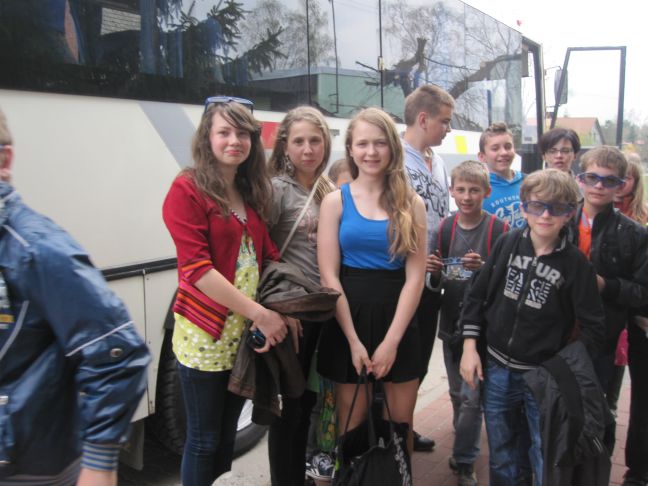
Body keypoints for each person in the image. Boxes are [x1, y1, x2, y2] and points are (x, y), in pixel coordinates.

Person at [0, 108, 150, 485]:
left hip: (29, 467)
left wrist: (99, 463)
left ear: (5, 160)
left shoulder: (38, 249)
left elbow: (118, 352)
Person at [162, 98, 290, 486]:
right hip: (206, 336)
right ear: (208, 137)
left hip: (242, 339)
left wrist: (286, 303)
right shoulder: (187, 189)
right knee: (202, 441)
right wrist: (261, 314)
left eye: (243, 133)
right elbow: (198, 271)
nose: (234, 141)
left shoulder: (249, 190)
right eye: (224, 132)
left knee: (224, 438)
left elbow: (266, 254)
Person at [460, 169, 606, 485]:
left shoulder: (576, 265)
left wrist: (560, 368)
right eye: (537, 206)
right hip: (497, 368)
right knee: (502, 451)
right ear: (524, 208)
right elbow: (477, 296)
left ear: (569, 213)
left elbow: (595, 327)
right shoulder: (507, 243)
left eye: (557, 207)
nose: (545, 215)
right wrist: (470, 347)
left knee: (543, 453)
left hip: (542, 376)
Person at [317, 107, 427, 455]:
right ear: (350, 149)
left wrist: (392, 342)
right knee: (351, 426)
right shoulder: (335, 202)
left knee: (400, 427)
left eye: (380, 143)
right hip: (348, 318)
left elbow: (415, 278)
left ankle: (397, 479)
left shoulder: (412, 204)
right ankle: (353, 478)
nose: (371, 152)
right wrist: (353, 340)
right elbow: (329, 276)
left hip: (400, 320)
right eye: (362, 144)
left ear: (392, 147)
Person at [567, 146, 648, 482]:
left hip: (605, 337)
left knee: (598, 408)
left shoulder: (634, 234)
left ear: (621, 185)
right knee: (560, 404)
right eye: (592, 178)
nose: (599, 186)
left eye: (608, 180)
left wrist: (606, 285)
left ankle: (593, 473)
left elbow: (642, 291)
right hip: (559, 333)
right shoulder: (558, 221)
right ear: (580, 179)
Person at [266, 106, 336, 486]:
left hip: (322, 312)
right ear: (285, 147)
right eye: (298, 141)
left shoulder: (327, 189)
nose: (307, 149)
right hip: (293, 315)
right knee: (288, 410)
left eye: (314, 140)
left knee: (309, 403)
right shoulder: (277, 190)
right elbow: (260, 253)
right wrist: (275, 307)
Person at [427, 160, 507, 486]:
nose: (467, 196)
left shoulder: (499, 230)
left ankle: (464, 460)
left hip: (484, 329)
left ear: (486, 192)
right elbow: (436, 284)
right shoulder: (445, 228)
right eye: (460, 190)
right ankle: (464, 440)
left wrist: (484, 268)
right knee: (457, 393)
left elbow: (505, 280)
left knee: (472, 397)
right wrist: (434, 272)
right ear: (451, 191)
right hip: (451, 324)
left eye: (474, 190)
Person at [401, 83, 454, 451]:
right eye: (444, 121)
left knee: (419, 361)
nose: (448, 128)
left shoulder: (440, 162)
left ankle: (405, 424)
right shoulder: (395, 159)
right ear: (423, 119)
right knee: (402, 361)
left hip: (434, 280)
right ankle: (390, 430)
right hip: (404, 279)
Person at [607, 154, 648, 415]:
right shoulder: (597, 214)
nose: (621, 183)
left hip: (635, 308)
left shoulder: (641, 220)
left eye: (627, 177)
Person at [478, 122, 526, 229]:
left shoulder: (528, 182)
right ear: (482, 156)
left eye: (508, 147)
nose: (504, 152)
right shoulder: (478, 188)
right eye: (495, 149)